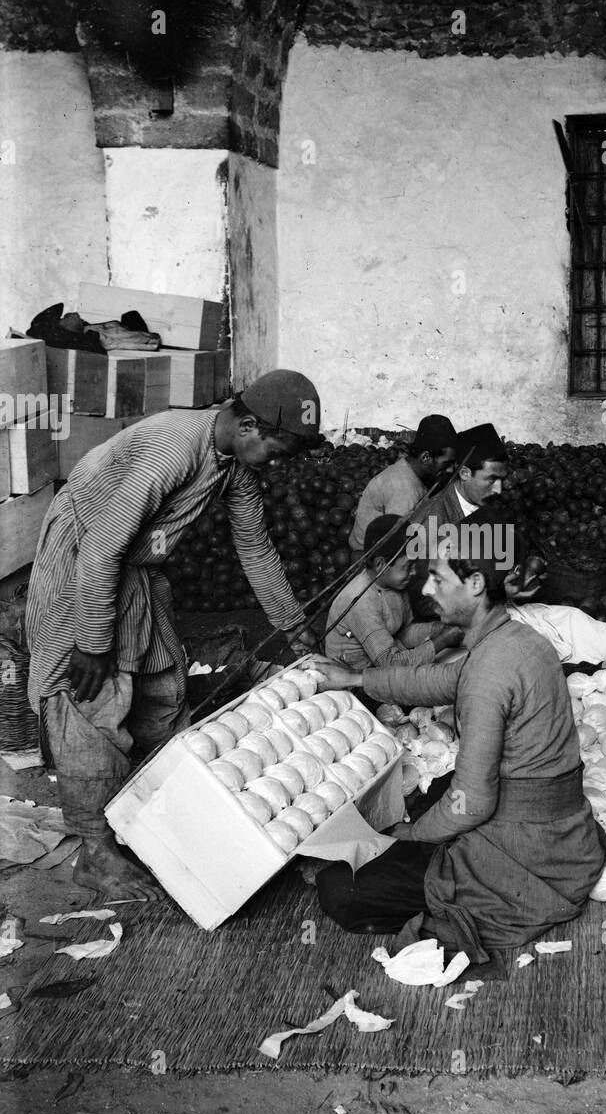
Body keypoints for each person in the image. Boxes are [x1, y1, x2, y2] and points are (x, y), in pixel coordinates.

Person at [26, 369, 324, 900]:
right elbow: (100, 549)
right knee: (93, 698)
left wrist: (295, 628)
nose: (278, 463)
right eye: (278, 450)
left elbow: (255, 549)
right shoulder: (173, 447)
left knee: (162, 684)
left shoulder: (232, 464)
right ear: (250, 424)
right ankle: (95, 851)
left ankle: (145, 816)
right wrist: (93, 643)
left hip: (136, 571)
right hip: (84, 566)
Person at [307, 538, 606, 965]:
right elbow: (436, 681)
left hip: (526, 843)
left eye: (438, 578)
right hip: (557, 818)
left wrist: (412, 835)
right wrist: (354, 679)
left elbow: (474, 803)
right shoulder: (518, 638)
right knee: (438, 795)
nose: (426, 589)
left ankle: (457, 871)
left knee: (341, 889)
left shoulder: (489, 672)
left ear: (476, 583)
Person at [325, 514, 464, 672]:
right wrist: (441, 642)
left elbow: (404, 632)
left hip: (388, 656)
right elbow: (389, 664)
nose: (413, 572)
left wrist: (438, 629)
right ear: (381, 565)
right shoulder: (360, 602)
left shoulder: (395, 584)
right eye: (408, 565)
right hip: (355, 678)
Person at [348, 414, 457, 553]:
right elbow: (398, 543)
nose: (451, 470)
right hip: (368, 557)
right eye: (447, 464)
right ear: (425, 457)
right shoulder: (404, 490)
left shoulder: (410, 469)